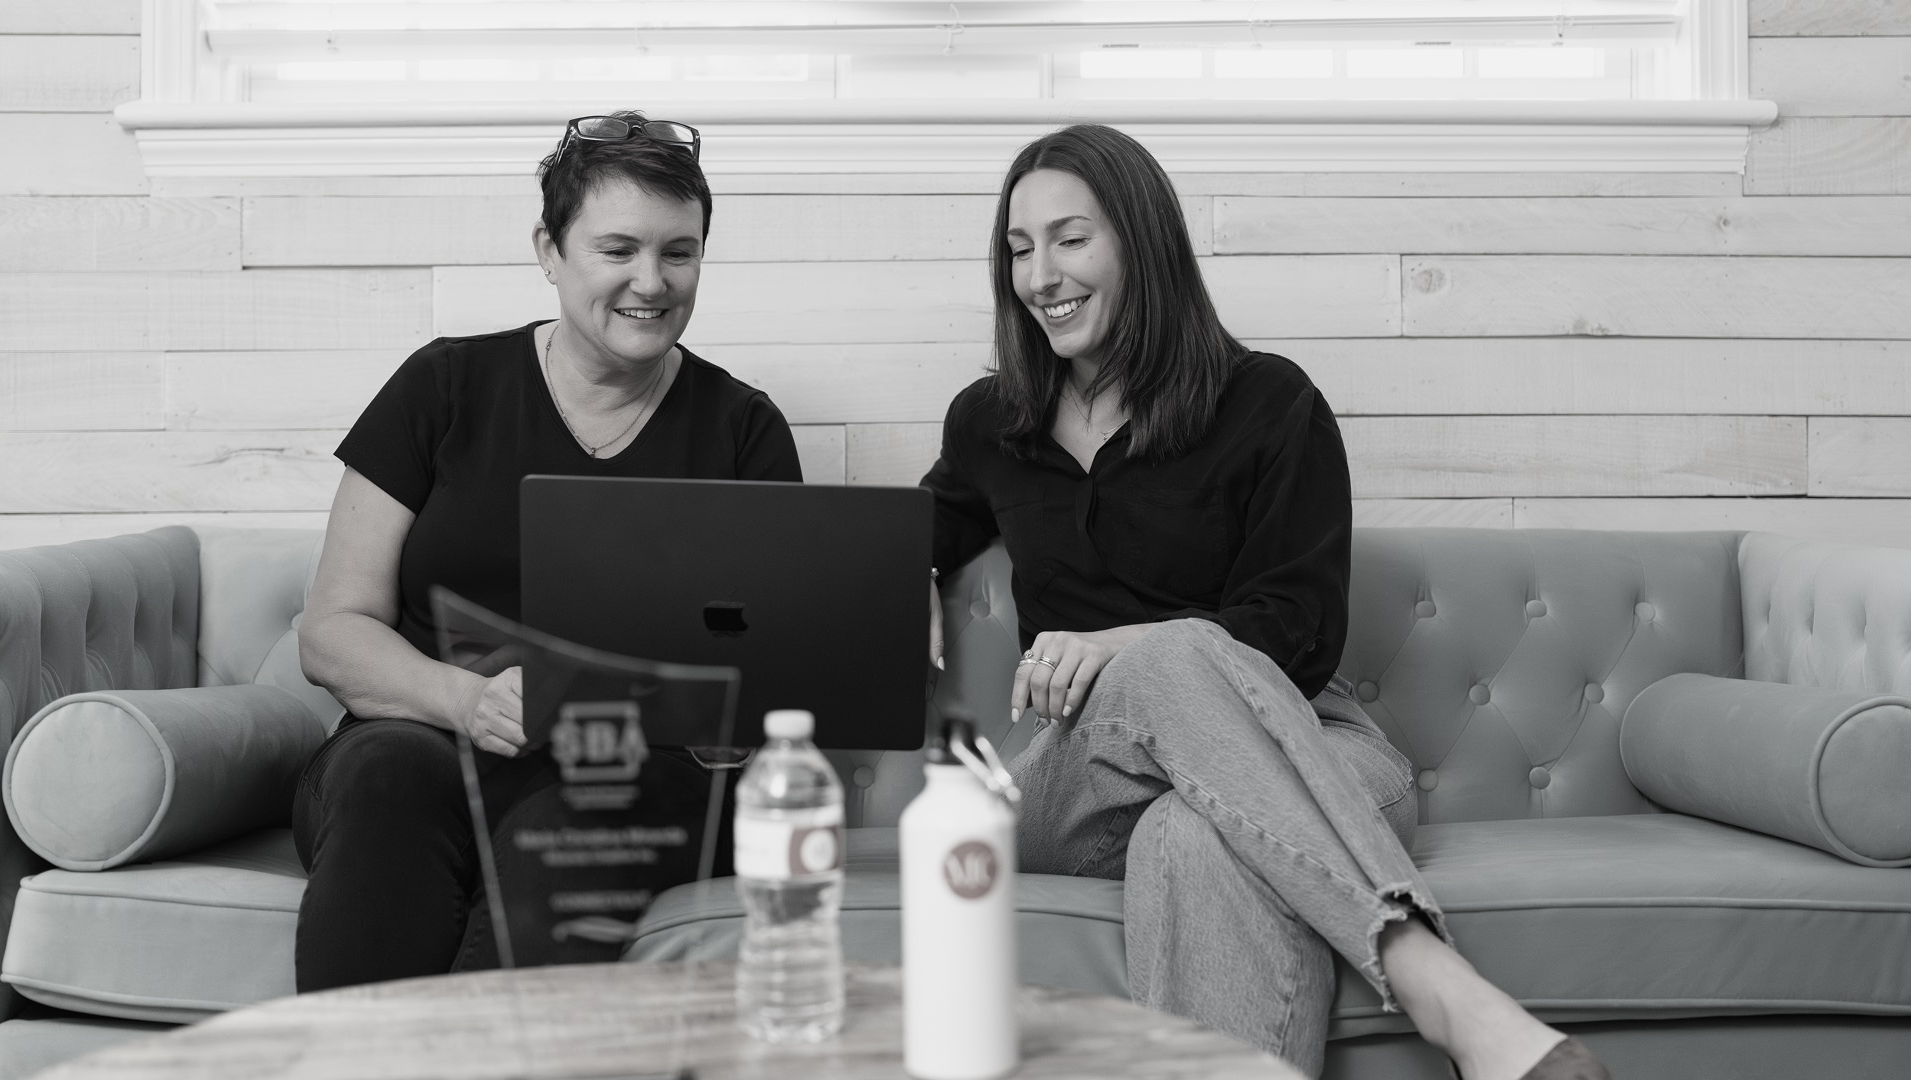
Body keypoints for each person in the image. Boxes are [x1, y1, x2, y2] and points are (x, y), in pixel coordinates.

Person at [921, 125, 1612, 1080]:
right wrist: (904, 577)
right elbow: (904, 536)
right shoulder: (991, 421)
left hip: (1313, 740)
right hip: (1075, 775)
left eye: (1070, 239)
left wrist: (1127, 642)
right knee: (1170, 659)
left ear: (1143, 243)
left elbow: (1299, 628)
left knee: (1193, 831)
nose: (1041, 275)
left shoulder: (1268, 402)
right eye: (1019, 248)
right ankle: (1438, 987)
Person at [293, 111, 801, 990]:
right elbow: (331, 630)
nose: (652, 281)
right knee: (386, 773)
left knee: (584, 823)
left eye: (679, 252)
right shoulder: (443, 387)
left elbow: (772, 672)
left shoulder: (742, 429)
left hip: (632, 775)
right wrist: (467, 700)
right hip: (424, 744)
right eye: (618, 249)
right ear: (549, 250)